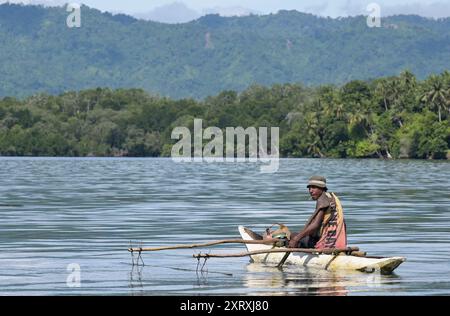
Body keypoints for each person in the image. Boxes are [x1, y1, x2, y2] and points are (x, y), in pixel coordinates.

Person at [288, 176, 347, 249]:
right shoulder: (330, 197)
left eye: (314, 187)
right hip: (333, 241)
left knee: (293, 235)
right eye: (309, 188)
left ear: (322, 188)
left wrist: (296, 239)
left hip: (324, 243)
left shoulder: (322, 200)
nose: (310, 191)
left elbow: (315, 225)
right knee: (298, 236)